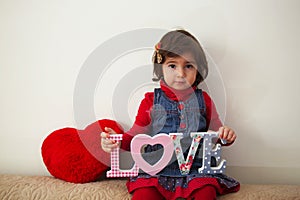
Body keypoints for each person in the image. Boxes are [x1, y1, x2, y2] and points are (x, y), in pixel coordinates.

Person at [101, 29, 240, 200]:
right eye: (172, 65)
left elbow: (218, 135)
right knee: (143, 195)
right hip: (156, 170)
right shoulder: (150, 101)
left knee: (206, 192)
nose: (181, 74)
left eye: (188, 66)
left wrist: (225, 135)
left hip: (195, 172)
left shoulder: (204, 100)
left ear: (198, 69)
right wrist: (117, 141)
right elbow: (135, 137)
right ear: (161, 67)